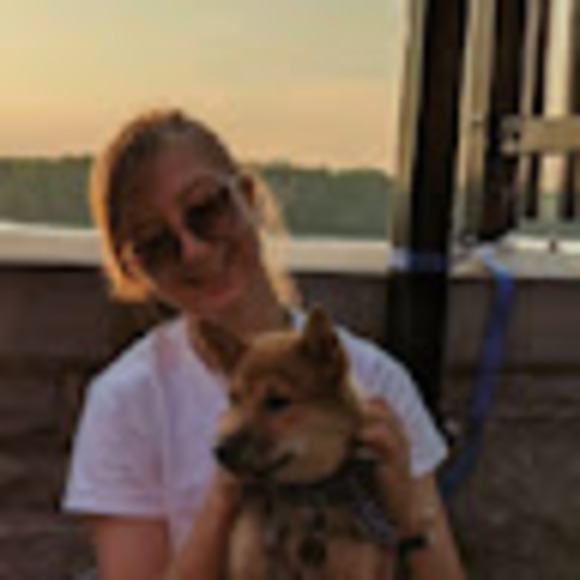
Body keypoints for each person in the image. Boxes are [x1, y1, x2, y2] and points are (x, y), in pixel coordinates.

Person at [63, 108, 465, 579]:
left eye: (206, 209)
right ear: (135, 272)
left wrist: (407, 510)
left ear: (248, 198)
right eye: (155, 244)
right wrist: (224, 497)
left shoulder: (374, 381)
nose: (194, 250)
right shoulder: (127, 400)